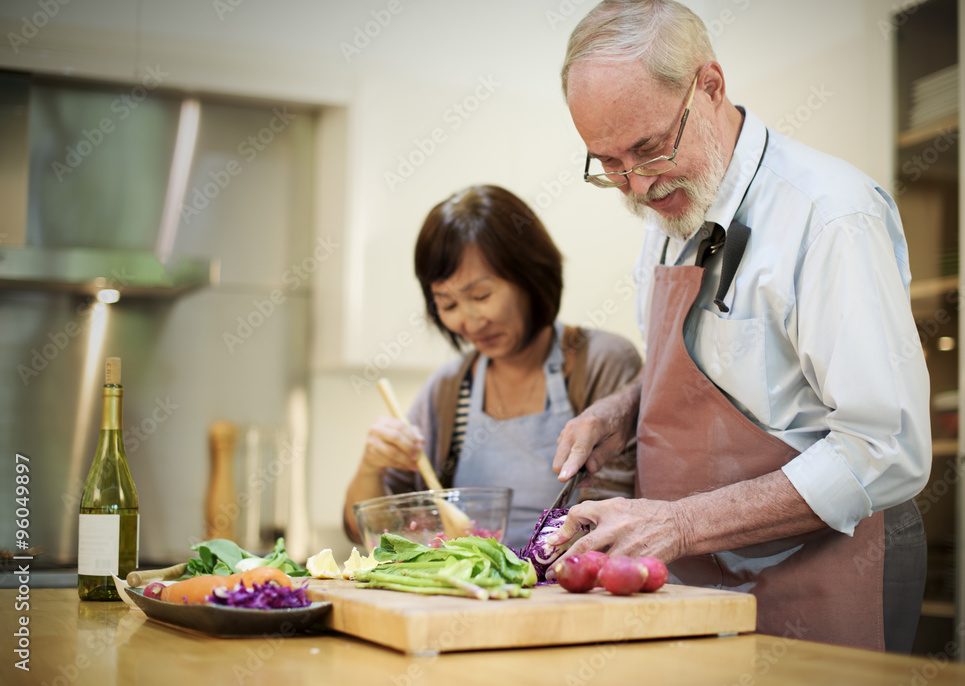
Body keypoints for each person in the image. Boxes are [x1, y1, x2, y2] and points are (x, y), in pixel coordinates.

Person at [547, 0, 931, 653]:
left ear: (711, 86)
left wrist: (683, 524)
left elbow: (885, 449)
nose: (635, 187)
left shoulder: (829, 215)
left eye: (646, 149)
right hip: (705, 573)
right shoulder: (666, 208)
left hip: (831, 567)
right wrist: (623, 408)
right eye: (607, 164)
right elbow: (713, 369)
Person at [343, 184, 643, 551]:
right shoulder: (448, 389)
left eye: (481, 296)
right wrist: (371, 465)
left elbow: (611, 521)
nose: (470, 322)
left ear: (530, 276)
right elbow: (371, 531)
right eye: (448, 304)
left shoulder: (602, 361)